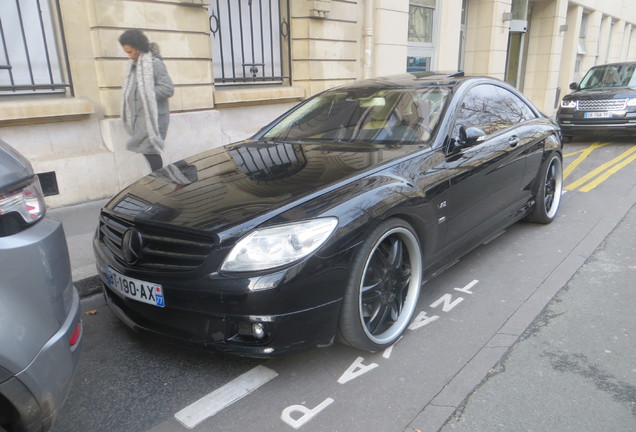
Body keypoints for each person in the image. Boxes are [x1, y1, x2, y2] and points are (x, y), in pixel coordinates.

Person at [119, 29, 174, 171]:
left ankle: (163, 181)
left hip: (155, 119)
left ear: (138, 48)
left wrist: (143, 93)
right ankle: (163, 181)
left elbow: (167, 88)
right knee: (148, 152)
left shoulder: (155, 64)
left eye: (130, 52)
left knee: (151, 152)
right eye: (127, 52)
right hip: (141, 119)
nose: (129, 56)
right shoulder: (135, 66)